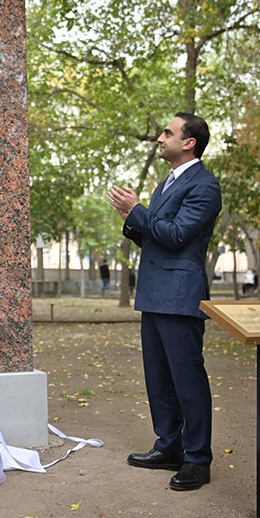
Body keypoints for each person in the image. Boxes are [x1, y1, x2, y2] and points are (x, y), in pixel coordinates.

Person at [107, 112, 222, 491]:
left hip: (180, 295)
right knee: (158, 379)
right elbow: (155, 239)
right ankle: (169, 446)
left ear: (189, 143)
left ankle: (198, 460)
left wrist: (139, 210)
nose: (160, 138)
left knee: (187, 381)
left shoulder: (205, 185)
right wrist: (131, 218)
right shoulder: (165, 185)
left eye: (168, 133)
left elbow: (176, 236)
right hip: (154, 293)